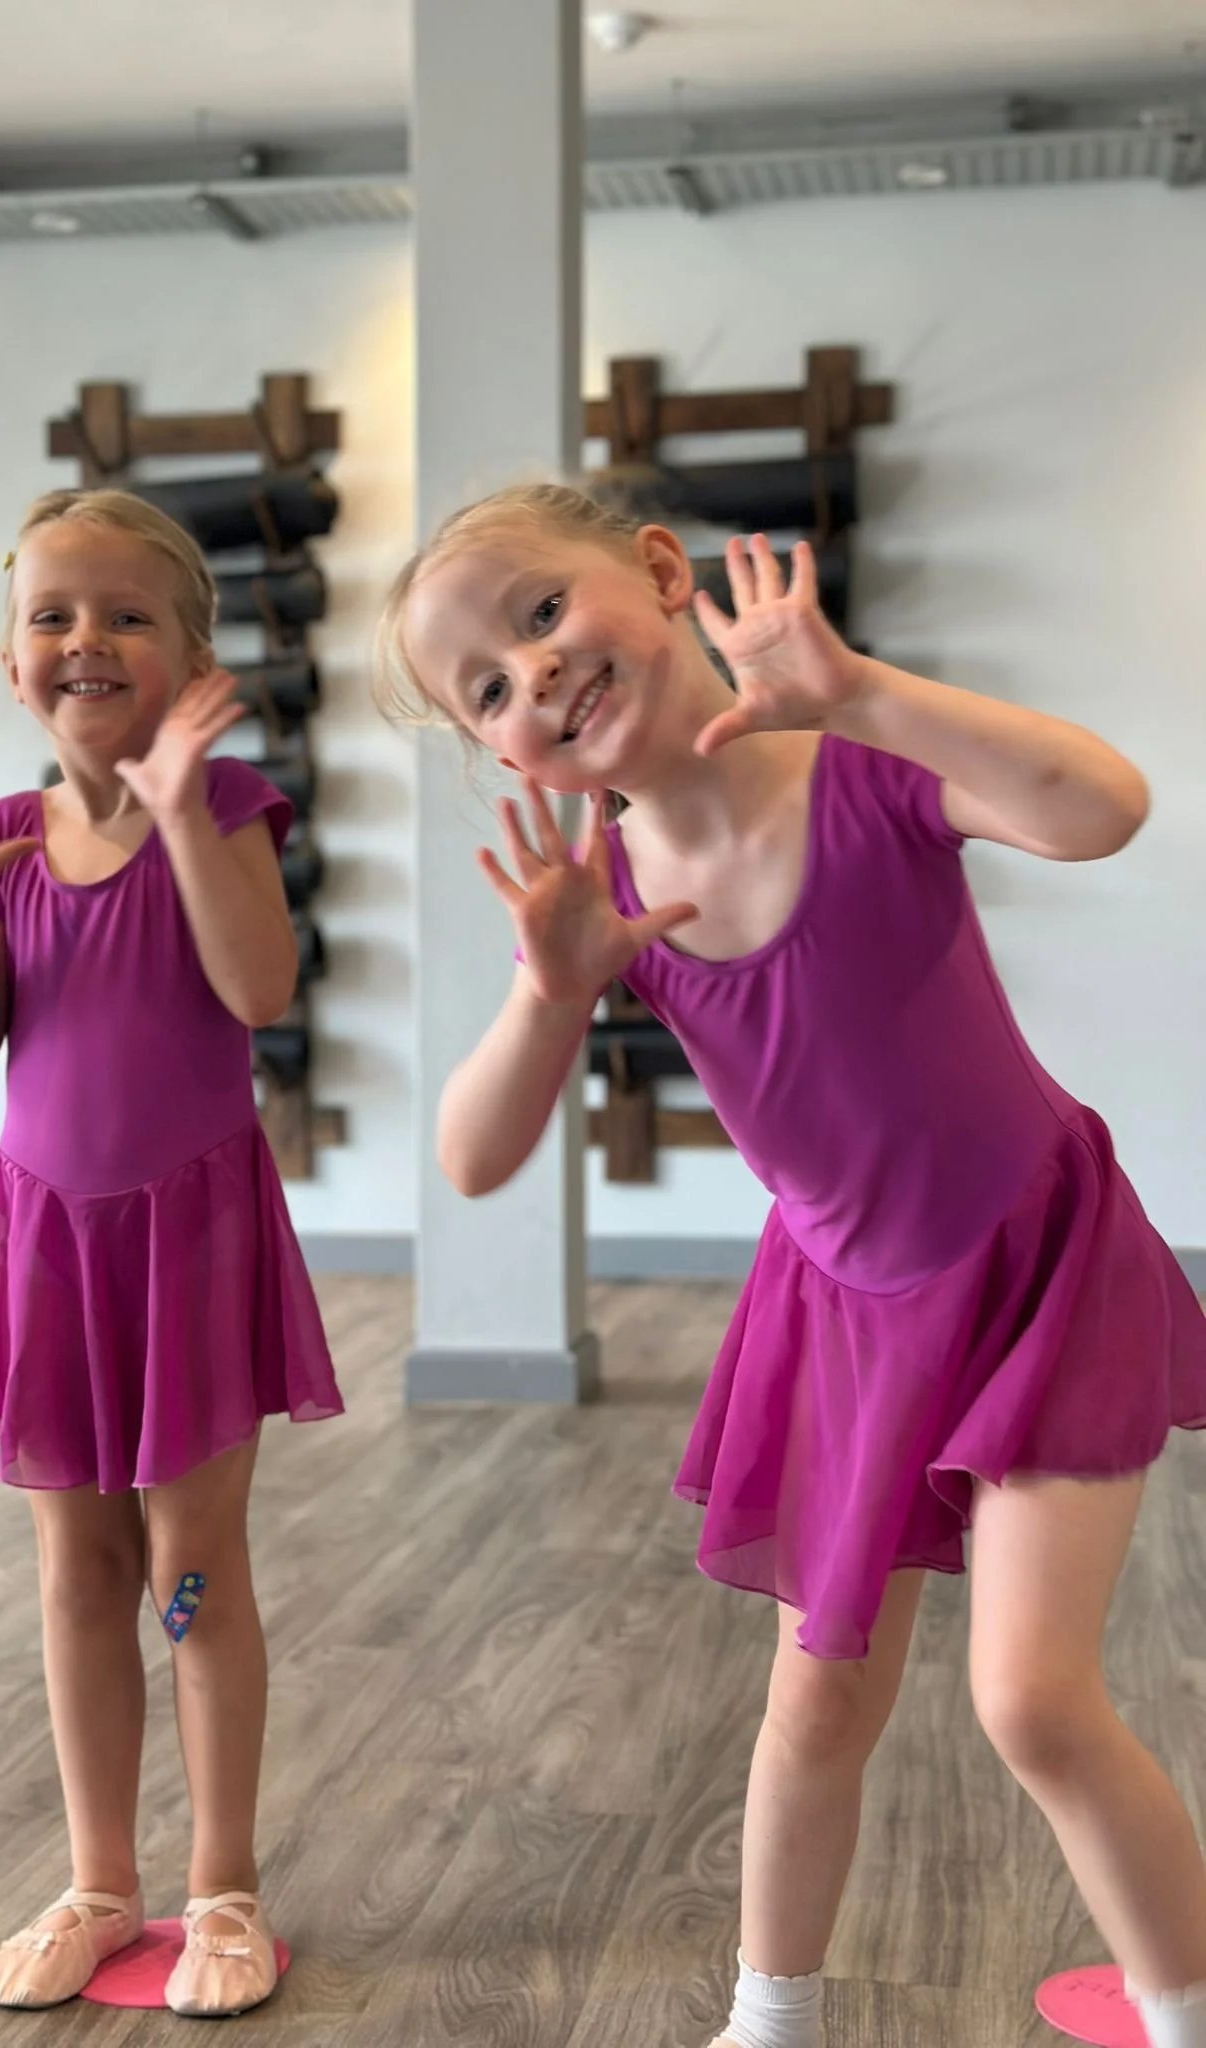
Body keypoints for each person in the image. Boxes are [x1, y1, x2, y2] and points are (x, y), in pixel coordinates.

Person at [374, 481, 1206, 2048]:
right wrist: (550, 1000)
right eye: (487, 687)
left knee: (1031, 1700)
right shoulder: (602, 902)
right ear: (499, 753)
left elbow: (1104, 808)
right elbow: (474, 1160)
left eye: (543, 615)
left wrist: (870, 691)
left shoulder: (864, 772)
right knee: (816, 1698)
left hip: (1033, 1267)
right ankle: (770, 2021)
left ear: (660, 572)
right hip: (845, 1319)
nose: (532, 676)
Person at [0, 488, 341, 2017]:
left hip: (189, 1245)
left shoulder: (237, 810)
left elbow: (258, 987)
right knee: (78, 1569)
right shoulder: (1, 841)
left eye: (129, 615)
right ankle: (99, 1879)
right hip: (46, 1250)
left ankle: (222, 1887)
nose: (89, 639)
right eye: (55, 617)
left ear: (193, 656)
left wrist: (189, 799)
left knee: (190, 1567)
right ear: (15, 666)